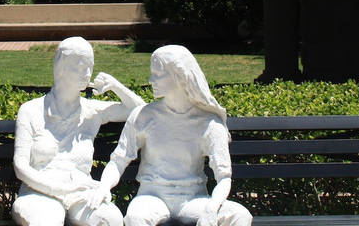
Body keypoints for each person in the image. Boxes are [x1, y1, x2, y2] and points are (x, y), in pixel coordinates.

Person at [90, 45, 252, 226]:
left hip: (194, 199)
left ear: (179, 75)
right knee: (136, 217)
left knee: (240, 215)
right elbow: (118, 161)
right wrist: (104, 187)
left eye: (158, 73)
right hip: (152, 198)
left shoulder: (209, 123)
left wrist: (211, 209)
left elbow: (224, 178)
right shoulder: (143, 115)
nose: (151, 80)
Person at [11, 37, 144, 226]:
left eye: (90, 66)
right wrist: (59, 189)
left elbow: (140, 112)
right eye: (81, 67)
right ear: (61, 67)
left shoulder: (92, 111)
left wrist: (116, 86)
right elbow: (21, 167)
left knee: (110, 219)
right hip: (38, 193)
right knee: (47, 220)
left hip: (82, 193)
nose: (88, 73)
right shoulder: (31, 111)